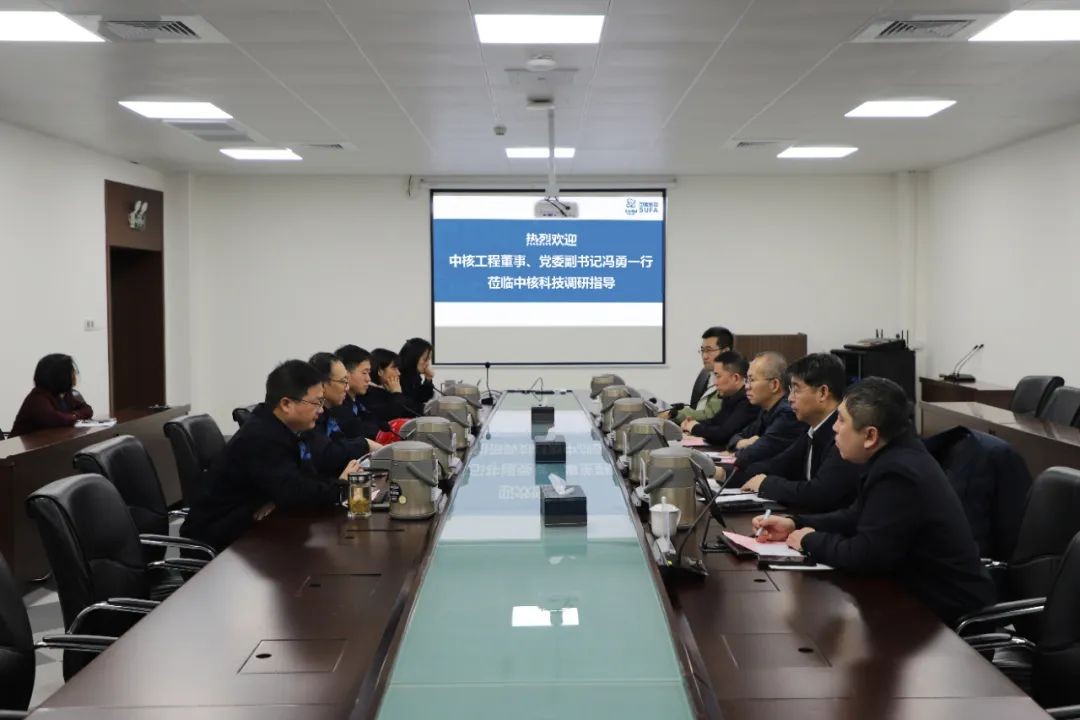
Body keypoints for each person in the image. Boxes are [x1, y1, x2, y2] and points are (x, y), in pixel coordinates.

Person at [752, 377, 995, 625]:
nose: (834, 428)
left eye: (841, 420)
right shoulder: (896, 456)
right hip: (915, 597)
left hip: (944, 615)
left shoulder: (899, 474)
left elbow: (865, 555)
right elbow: (855, 515)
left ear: (870, 435)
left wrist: (809, 540)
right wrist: (795, 523)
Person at [181, 360, 359, 551]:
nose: (321, 410)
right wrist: (342, 487)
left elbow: (300, 482)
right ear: (286, 404)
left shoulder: (281, 428)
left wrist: (279, 497)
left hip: (250, 530)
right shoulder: (262, 437)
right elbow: (294, 491)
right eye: (316, 402)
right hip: (218, 543)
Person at [738, 353, 861, 512]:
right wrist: (723, 475)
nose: (790, 398)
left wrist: (766, 483)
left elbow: (819, 493)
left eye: (796, 390)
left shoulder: (843, 435)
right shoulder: (812, 430)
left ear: (822, 393)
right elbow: (777, 465)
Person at [726, 351, 805, 476]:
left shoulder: (788, 414)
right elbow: (735, 438)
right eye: (747, 380)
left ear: (774, 385)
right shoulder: (766, 409)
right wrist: (744, 442)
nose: (746, 386)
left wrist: (745, 447)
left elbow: (751, 454)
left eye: (752, 380)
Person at [305, 352, 380, 477]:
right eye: (343, 381)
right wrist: (364, 444)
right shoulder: (309, 417)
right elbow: (326, 455)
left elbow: (340, 444)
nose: (347, 387)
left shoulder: (330, 412)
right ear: (323, 384)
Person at [681, 351, 758, 448]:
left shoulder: (748, 401)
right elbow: (715, 422)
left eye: (718, 376)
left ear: (735, 378)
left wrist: (694, 427)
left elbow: (722, 434)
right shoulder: (730, 396)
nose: (715, 383)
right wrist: (692, 423)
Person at [662, 326, 734, 424]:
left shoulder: (730, 380)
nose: (704, 356)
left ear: (725, 351)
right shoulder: (708, 373)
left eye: (709, 350)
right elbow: (697, 409)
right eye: (703, 350)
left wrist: (674, 414)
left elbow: (708, 416)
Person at [10, 354, 93, 437]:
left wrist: (74, 415)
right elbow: (57, 420)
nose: (75, 375)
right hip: (23, 445)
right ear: (59, 375)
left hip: (52, 441)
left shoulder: (64, 393)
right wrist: (74, 416)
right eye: (71, 371)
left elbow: (87, 410)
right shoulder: (37, 398)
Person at [332, 345, 385, 440]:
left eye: (369, 373)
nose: (368, 379)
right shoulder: (338, 405)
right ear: (345, 373)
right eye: (364, 373)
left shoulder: (359, 402)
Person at [365, 348, 421, 423]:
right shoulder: (368, 393)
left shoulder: (387, 388)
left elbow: (414, 411)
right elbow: (392, 418)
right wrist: (397, 394)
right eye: (394, 368)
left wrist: (396, 394)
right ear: (380, 371)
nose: (399, 373)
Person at [399, 338, 436, 409]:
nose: (428, 364)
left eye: (429, 360)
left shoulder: (414, 374)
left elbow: (423, 398)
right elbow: (409, 406)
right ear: (413, 357)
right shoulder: (398, 376)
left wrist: (428, 379)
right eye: (425, 359)